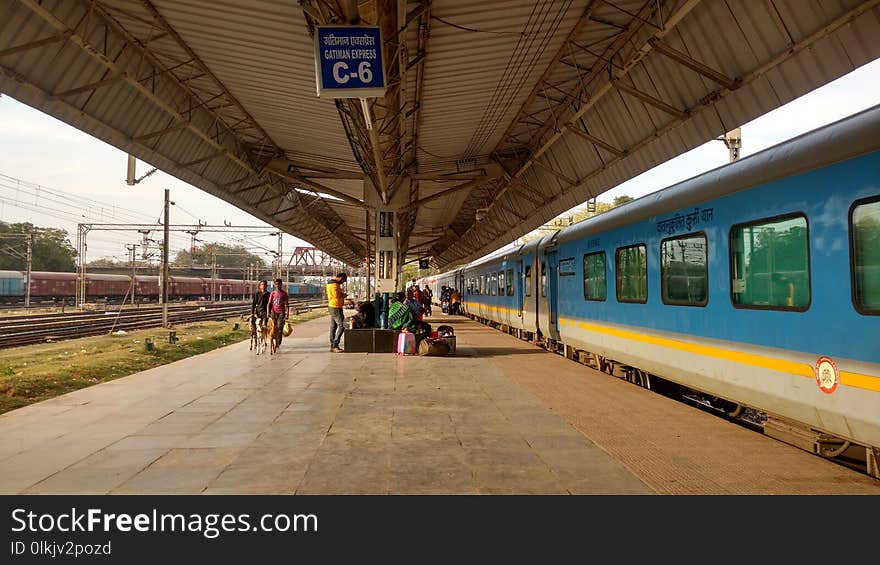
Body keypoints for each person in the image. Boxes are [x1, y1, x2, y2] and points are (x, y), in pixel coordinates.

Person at [326, 272, 347, 352]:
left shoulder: (332, 283)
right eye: (343, 281)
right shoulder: (334, 285)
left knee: (333, 326)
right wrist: (343, 295)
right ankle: (335, 345)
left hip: (334, 306)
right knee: (342, 325)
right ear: (340, 278)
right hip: (335, 307)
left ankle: (333, 346)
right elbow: (335, 295)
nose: (342, 283)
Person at [266, 278, 289, 347]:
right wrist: (268, 312)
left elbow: (287, 304)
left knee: (279, 328)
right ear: (274, 285)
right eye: (276, 284)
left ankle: (278, 342)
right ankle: (273, 339)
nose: (277, 285)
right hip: (273, 312)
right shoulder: (273, 293)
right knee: (273, 327)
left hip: (281, 313)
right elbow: (269, 303)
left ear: (281, 285)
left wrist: (287, 313)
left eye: (278, 284)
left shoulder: (284, 294)